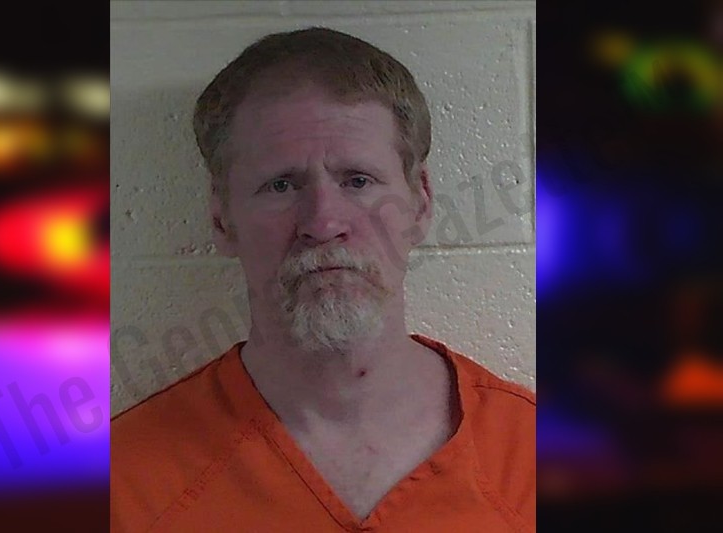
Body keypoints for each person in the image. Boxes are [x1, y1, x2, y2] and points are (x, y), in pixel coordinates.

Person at [111, 27, 535, 532]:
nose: (323, 222)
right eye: (281, 185)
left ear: (421, 202)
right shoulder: (125, 484)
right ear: (222, 218)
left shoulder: (536, 458)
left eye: (358, 180)